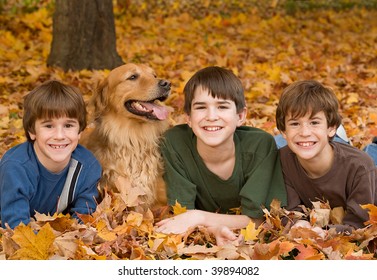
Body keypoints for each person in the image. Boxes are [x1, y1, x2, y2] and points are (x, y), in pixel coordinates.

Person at [156, 66, 287, 245]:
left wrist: (198, 216)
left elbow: (258, 219)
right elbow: (182, 217)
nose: (211, 116)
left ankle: (338, 135)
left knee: (293, 144)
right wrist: (214, 229)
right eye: (201, 107)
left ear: (241, 116)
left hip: (280, 145)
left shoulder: (260, 146)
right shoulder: (174, 143)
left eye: (222, 107)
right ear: (188, 117)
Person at [275, 80, 377, 233]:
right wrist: (299, 223)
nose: (304, 132)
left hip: (365, 168)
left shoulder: (360, 167)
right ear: (283, 131)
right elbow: (289, 210)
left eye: (314, 122)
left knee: (371, 155)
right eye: (295, 124)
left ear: (331, 128)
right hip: (315, 143)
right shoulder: (282, 160)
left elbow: (361, 224)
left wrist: (327, 232)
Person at [0, 80, 102, 229]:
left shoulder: (87, 166)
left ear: (80, 131)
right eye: (48, 126)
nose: (59, 135)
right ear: (32, 131)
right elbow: (16, 226)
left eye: (68, 125)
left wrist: (70, 240)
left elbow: (84, 216)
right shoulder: (16, 167)